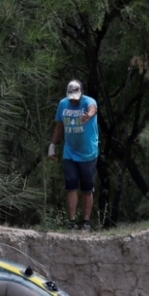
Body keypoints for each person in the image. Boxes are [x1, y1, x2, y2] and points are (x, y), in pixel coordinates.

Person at [48, 79, 99, 232]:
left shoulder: (89, 101)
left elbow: (92, 109)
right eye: (71, 97)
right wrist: (52, 146)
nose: (73, 100)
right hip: (69, 152)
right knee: (70, 186)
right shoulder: (63, 104)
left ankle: (86, 222)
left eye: (75, 98)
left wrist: (88, 116)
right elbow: (59, 126)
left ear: (81, 93)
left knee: (87, 189)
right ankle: (71, 222)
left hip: (88, 153)